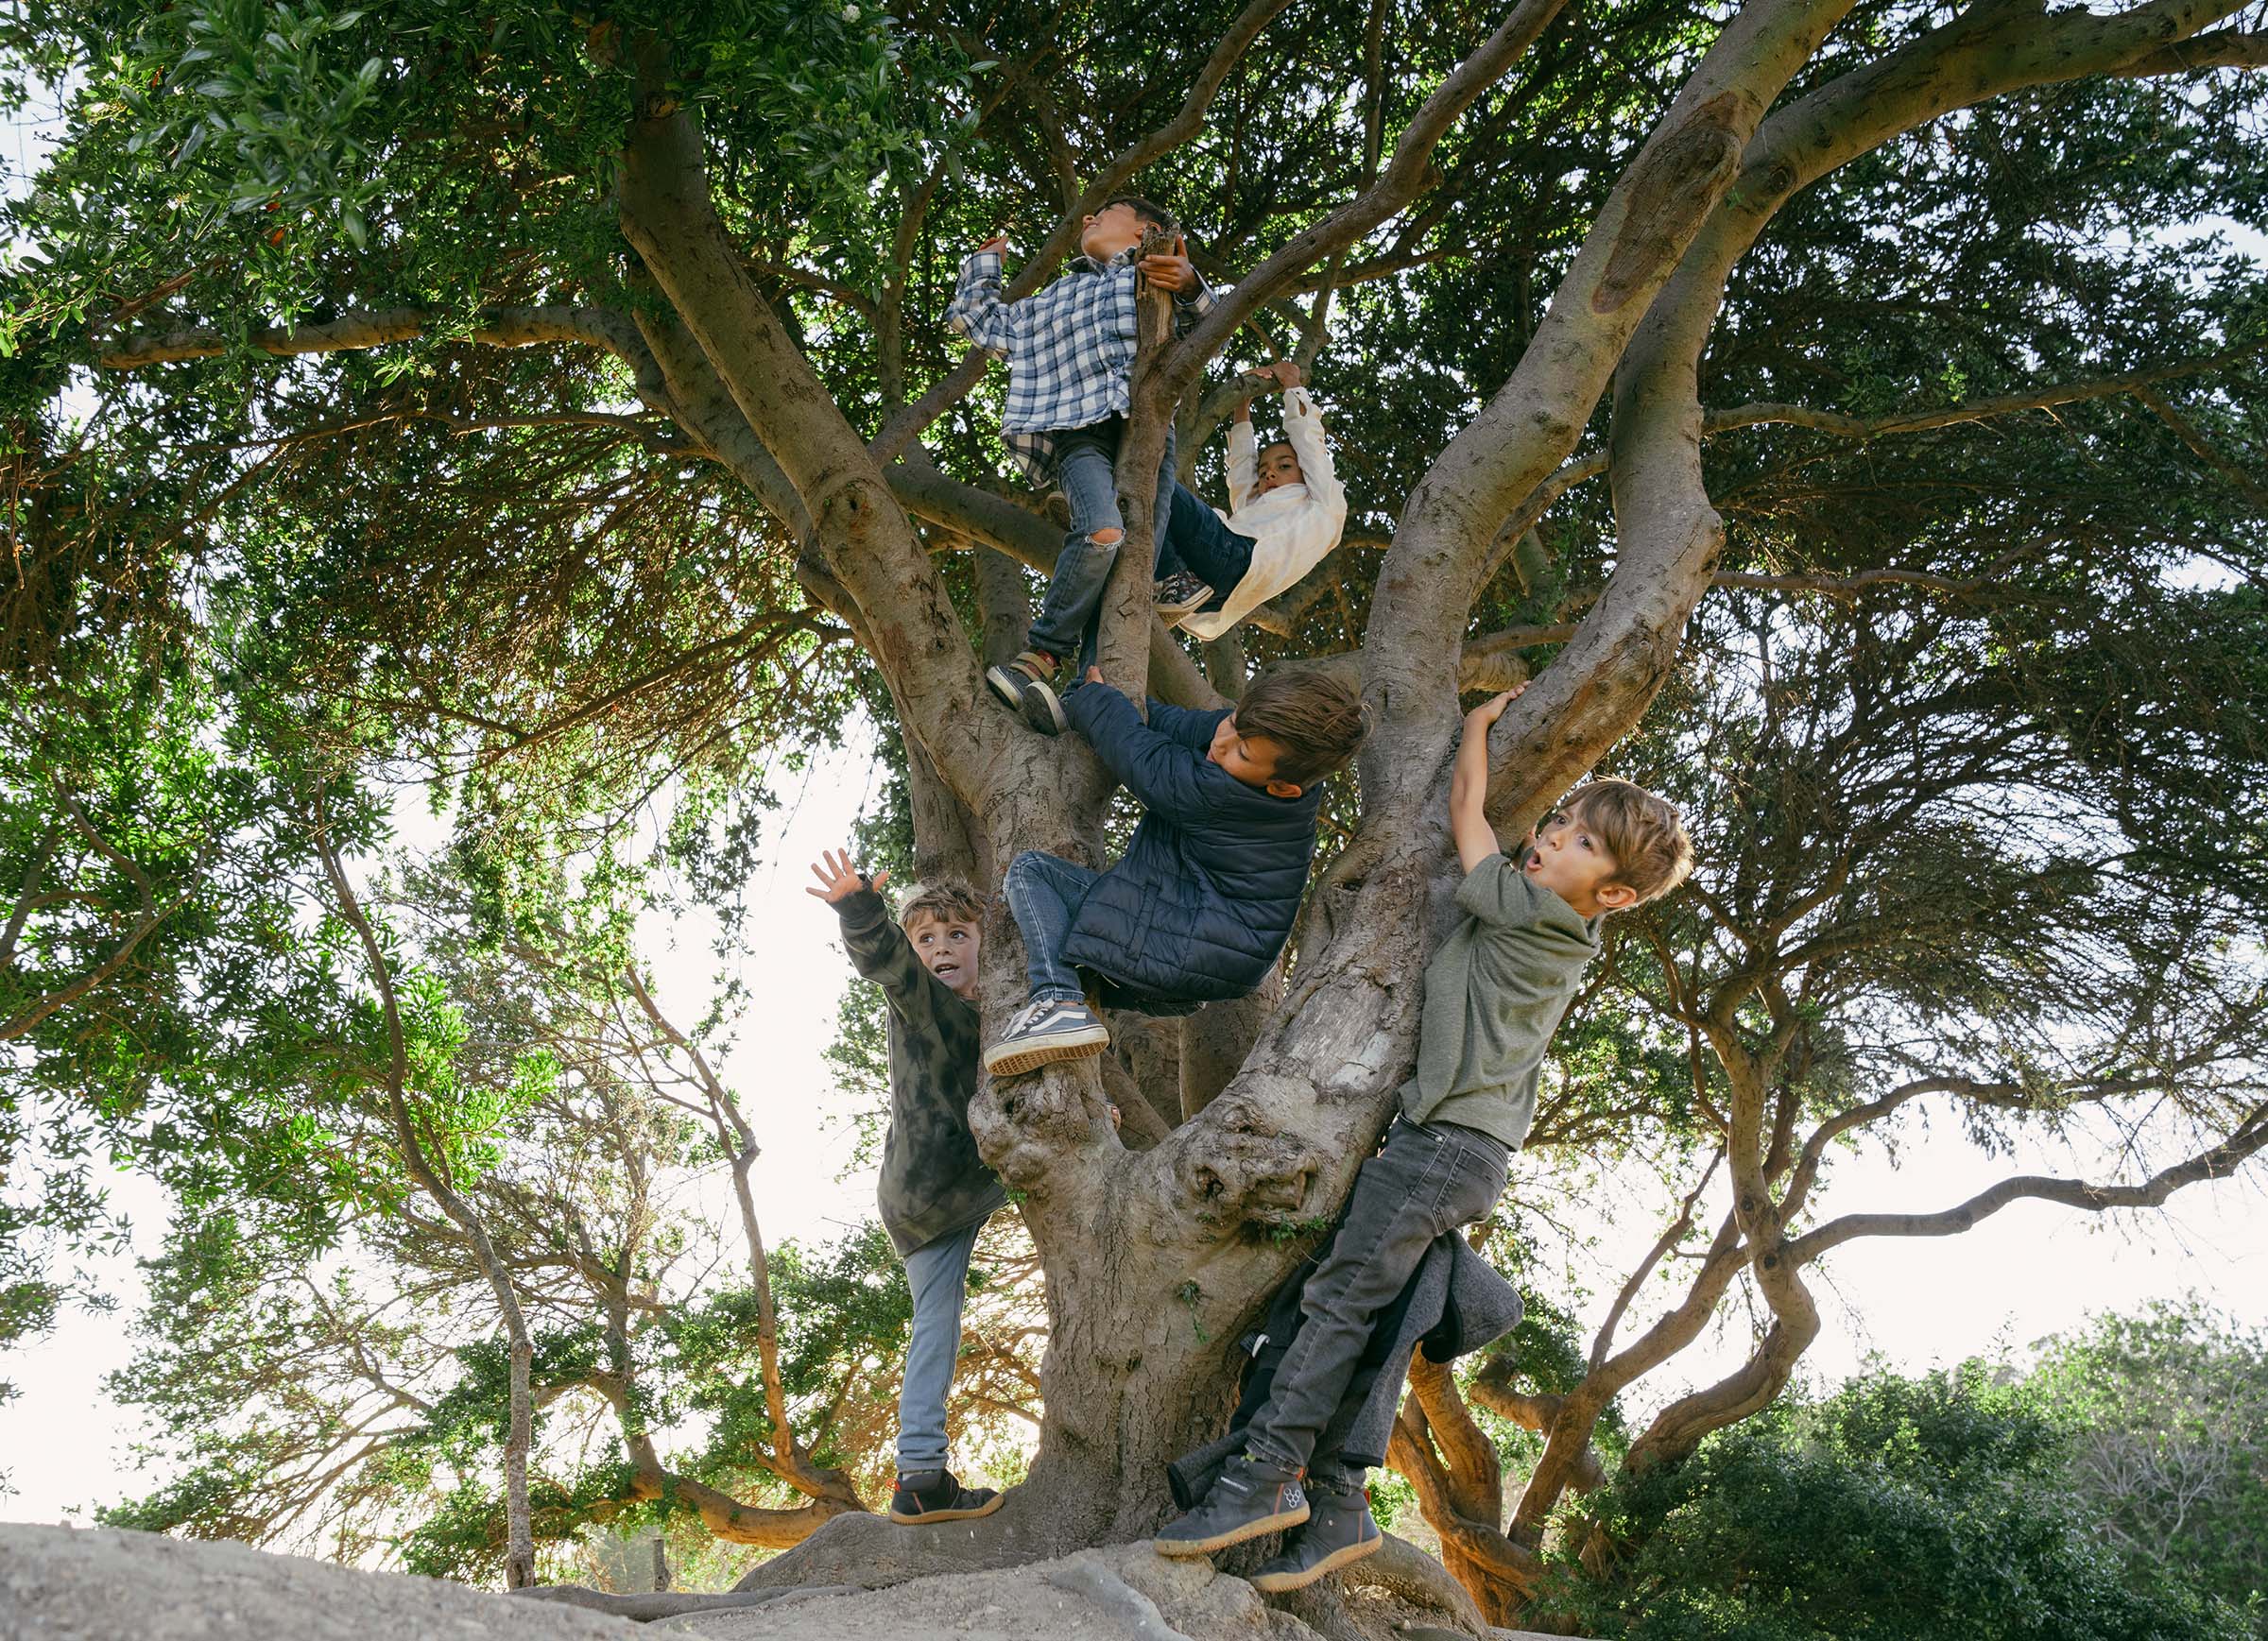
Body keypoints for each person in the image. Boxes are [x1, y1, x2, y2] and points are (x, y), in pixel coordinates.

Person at [1152, 685, 1694, 1577]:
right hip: (1461, 1154)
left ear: (1614, 893)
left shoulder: (1536, 914)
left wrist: (1477, 728)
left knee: (1337, 1301)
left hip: (1442, 1147)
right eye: (1561, 824)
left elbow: (1464, 816)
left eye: (1582, 843)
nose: (1554, 837)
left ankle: (1264, 1477)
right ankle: (1336, 1504)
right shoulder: (1551, 923)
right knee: (1369, 1305)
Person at [982, 667, 1367, 1074]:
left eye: (1242, 753)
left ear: (1282, 788)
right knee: (1073, 946)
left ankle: (1057, 1002)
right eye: (1232, 723)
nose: (1221, 744)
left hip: (1188, 940)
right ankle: (1095, 1078)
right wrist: (1123, 703)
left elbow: (1140, 755)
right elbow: (1182, 725)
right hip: (1193, 969)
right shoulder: (1283, 765)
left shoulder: (1219, 794)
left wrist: (1094, 699)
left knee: (1033, 872)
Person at [945, 196, 1214, 734]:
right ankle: (1040, 657)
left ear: (1148, 232)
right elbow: (974, 320)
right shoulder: (1053, 299)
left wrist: (1190, 286)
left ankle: (1084, 692)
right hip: (1078, 431)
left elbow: (1206, 328)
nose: (1087, 218)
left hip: (1147, 438)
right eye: (1087, 215)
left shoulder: (1154, 276)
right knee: (1103, 532)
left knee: (1133, 571)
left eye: (1106, 212)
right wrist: (983, 264)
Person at [805, 849, 1006, 1524]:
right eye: (927, 938)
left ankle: (920, 1467)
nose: (941, 948)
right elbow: (886, 960)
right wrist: (861, 910)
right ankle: (919, 1471)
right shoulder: (922, 1003)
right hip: (928, 1198)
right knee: (937, 1323)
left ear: (985, 945)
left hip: (964, 1182)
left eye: (958, 935)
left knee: (937, 1319)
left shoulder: (993, 1017)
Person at [1151, 360, 1349, 644]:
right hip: (1213, 592)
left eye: (1284, 466)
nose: (1269, 472)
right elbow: (1242, 466)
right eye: (1264, 469)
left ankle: (1101, 516)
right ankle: (1168, 577)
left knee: (1152, 476)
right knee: (1147, 517)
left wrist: (1292, 383)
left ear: (1305, 473)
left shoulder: (1323, 503)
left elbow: (1309, 443)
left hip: (1236, 558)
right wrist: (1243, 401)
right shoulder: (1255, 511)